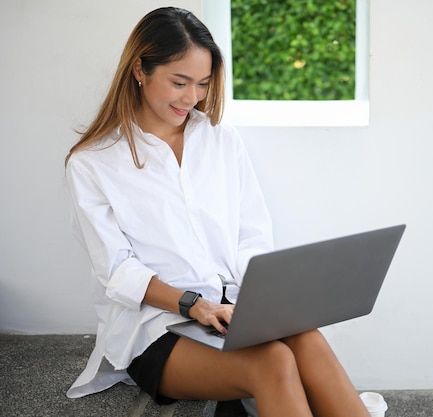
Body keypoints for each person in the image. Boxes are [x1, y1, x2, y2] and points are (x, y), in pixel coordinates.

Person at [64, 7, 370, 417]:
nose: (192, 99)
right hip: (156, 327)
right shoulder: (93, 162)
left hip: (232, 306)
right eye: (179, 82)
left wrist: (266, 303)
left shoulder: (221, 140)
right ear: (140, 69)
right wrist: (195, 304)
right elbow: (117, 271)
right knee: (274, 361)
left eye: (203, 84)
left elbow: (251, 235)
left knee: (307, 338)